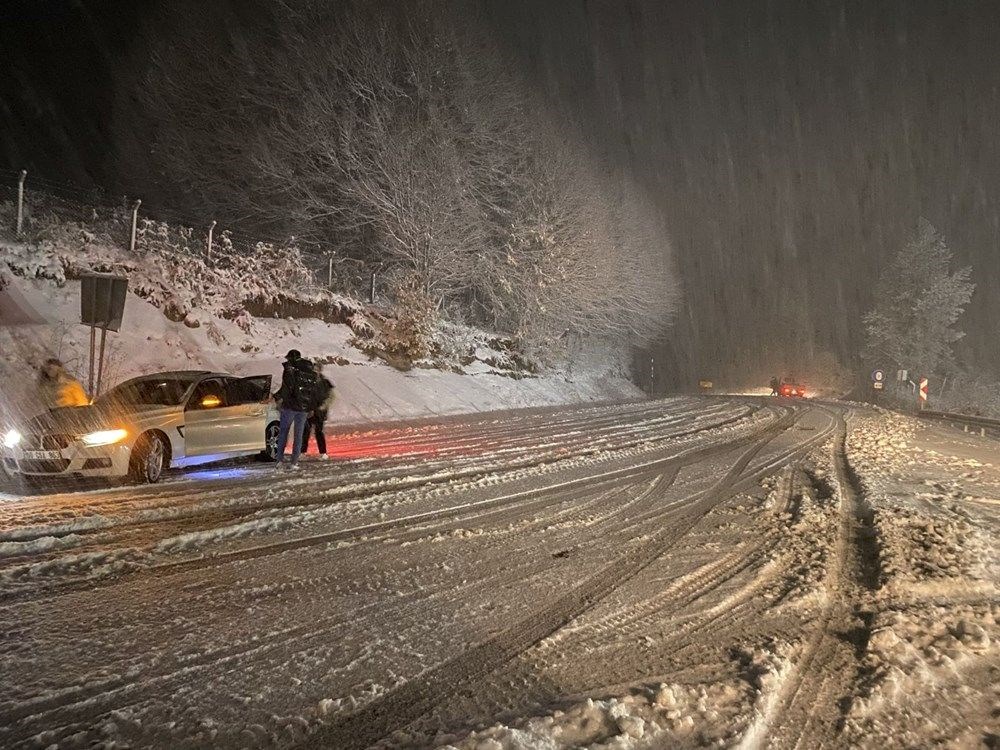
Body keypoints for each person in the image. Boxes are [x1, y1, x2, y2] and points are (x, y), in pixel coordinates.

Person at [273, 349, 320, 469]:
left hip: (290, 406)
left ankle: (279, 460)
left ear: (291, 358)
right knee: (298, 435)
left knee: (283, 432)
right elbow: (313, 393)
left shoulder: (290, 369)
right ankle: (294, 462)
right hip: (303, 408)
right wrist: (311, 408)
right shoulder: (311, 372)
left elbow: (287, 388)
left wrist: (275, 397)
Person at [302, 362, 335, 459]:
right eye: (313, 369)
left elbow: (331, 397)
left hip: (319, 412)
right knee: (305, 432)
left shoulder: (325, 383)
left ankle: (323, 452)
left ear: (320, 370)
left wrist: (323, 406)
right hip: (309, 411)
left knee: (319, 432)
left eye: (317, 369)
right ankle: (302, 452)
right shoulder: (306, 383)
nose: (315, 371)